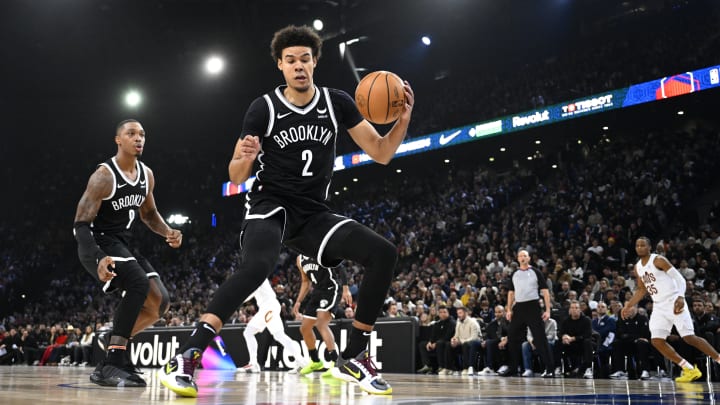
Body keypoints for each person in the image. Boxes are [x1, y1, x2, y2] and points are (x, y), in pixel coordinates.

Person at [160, 24, 413, 397]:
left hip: (314, 214)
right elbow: (235, 173)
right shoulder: (263, 108)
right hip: (270, 205)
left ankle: (356, 356)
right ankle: (188, 353)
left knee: (384, 253)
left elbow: (381, 152)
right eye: (291, 60)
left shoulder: (337, 102)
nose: (299, 66)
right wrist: (243, 160)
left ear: (314, 63)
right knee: (258, 266)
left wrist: (403, 119)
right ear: (280, 65)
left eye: (305, 59)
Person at [73, 119, 180, 386]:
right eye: (131, 133)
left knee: (160, 302)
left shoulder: (147, 175)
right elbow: (80, 224)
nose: (138, 138)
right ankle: (112, 363)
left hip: (123, 242)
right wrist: (97, 257)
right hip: (100, 243)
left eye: (142, 134)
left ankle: (114, 346)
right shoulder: (104, 176)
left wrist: (168, 231)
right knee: (138, 283)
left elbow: (149, 214)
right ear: (118, 140)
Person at [621, 237, 720, 382]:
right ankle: (688, 368)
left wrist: (680, 297)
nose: (640, 247)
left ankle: (718, 358)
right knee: (656, 340)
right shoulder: (638, 267)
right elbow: (642, 290)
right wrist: (629, 305)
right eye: (637, 245)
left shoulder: (658, 260)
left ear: (649, 247)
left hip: (674, 300)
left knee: (689, 338)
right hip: (659, 305)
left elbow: (680, 279)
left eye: (643, 245)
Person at [293, 255, 351, 376]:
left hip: (331, 288)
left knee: (321, 324)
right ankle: (315, 360)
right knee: (304, 328)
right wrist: (298, 301)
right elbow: (305, 282)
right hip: (317, 292)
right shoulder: (300, 259)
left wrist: (346, 290)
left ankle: (336, 363)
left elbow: (341, 268)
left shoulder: (318, 250)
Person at [501, 250, 554, 377]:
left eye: (525, 255)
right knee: (512, 335)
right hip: (519, 307)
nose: (522, 258)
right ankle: (513, 367)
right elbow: (511, 293)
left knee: (540, 338)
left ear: (529, 258)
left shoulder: (536, 272)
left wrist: (547, 310)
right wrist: (509, 309)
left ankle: (550, 368)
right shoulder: (515, 273)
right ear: (518, 259)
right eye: (520, 256)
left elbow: (545, 291)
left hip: (533, 306)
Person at [240, 279, 308, 373]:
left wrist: (236, 299)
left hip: (269, 307)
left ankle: (302, 362)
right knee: (249, 332)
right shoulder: (255, 275)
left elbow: (250, 293)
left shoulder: (258, 274)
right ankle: (253, 363)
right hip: (266, 308)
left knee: (277, 335)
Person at [557, 301, 594, 379]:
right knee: (557, 343)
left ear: (580, 310)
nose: (574, 310)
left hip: (582, 343)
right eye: (572, 308)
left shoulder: (586, 320)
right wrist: (564, 337)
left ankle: (588, 368)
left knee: (588, 342)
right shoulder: (566, 321)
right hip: (570, 344)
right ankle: (558, 367)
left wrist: (573, 338)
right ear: (569, 310)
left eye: (576, 308)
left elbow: (587, 334)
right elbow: (560, 333)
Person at [449, 306, 482, 376]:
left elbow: (474, 337)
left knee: (466, 344)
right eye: (458, 313)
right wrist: (454, 340)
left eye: (460, 313)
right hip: (463, 342)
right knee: (449, 344)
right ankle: (452, 368)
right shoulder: (458, 323)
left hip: (476, 343)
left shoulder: (473, 322)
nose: (458, 315)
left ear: (466, 313)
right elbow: (456, 335)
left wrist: (460, 342)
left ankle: (468, 368)